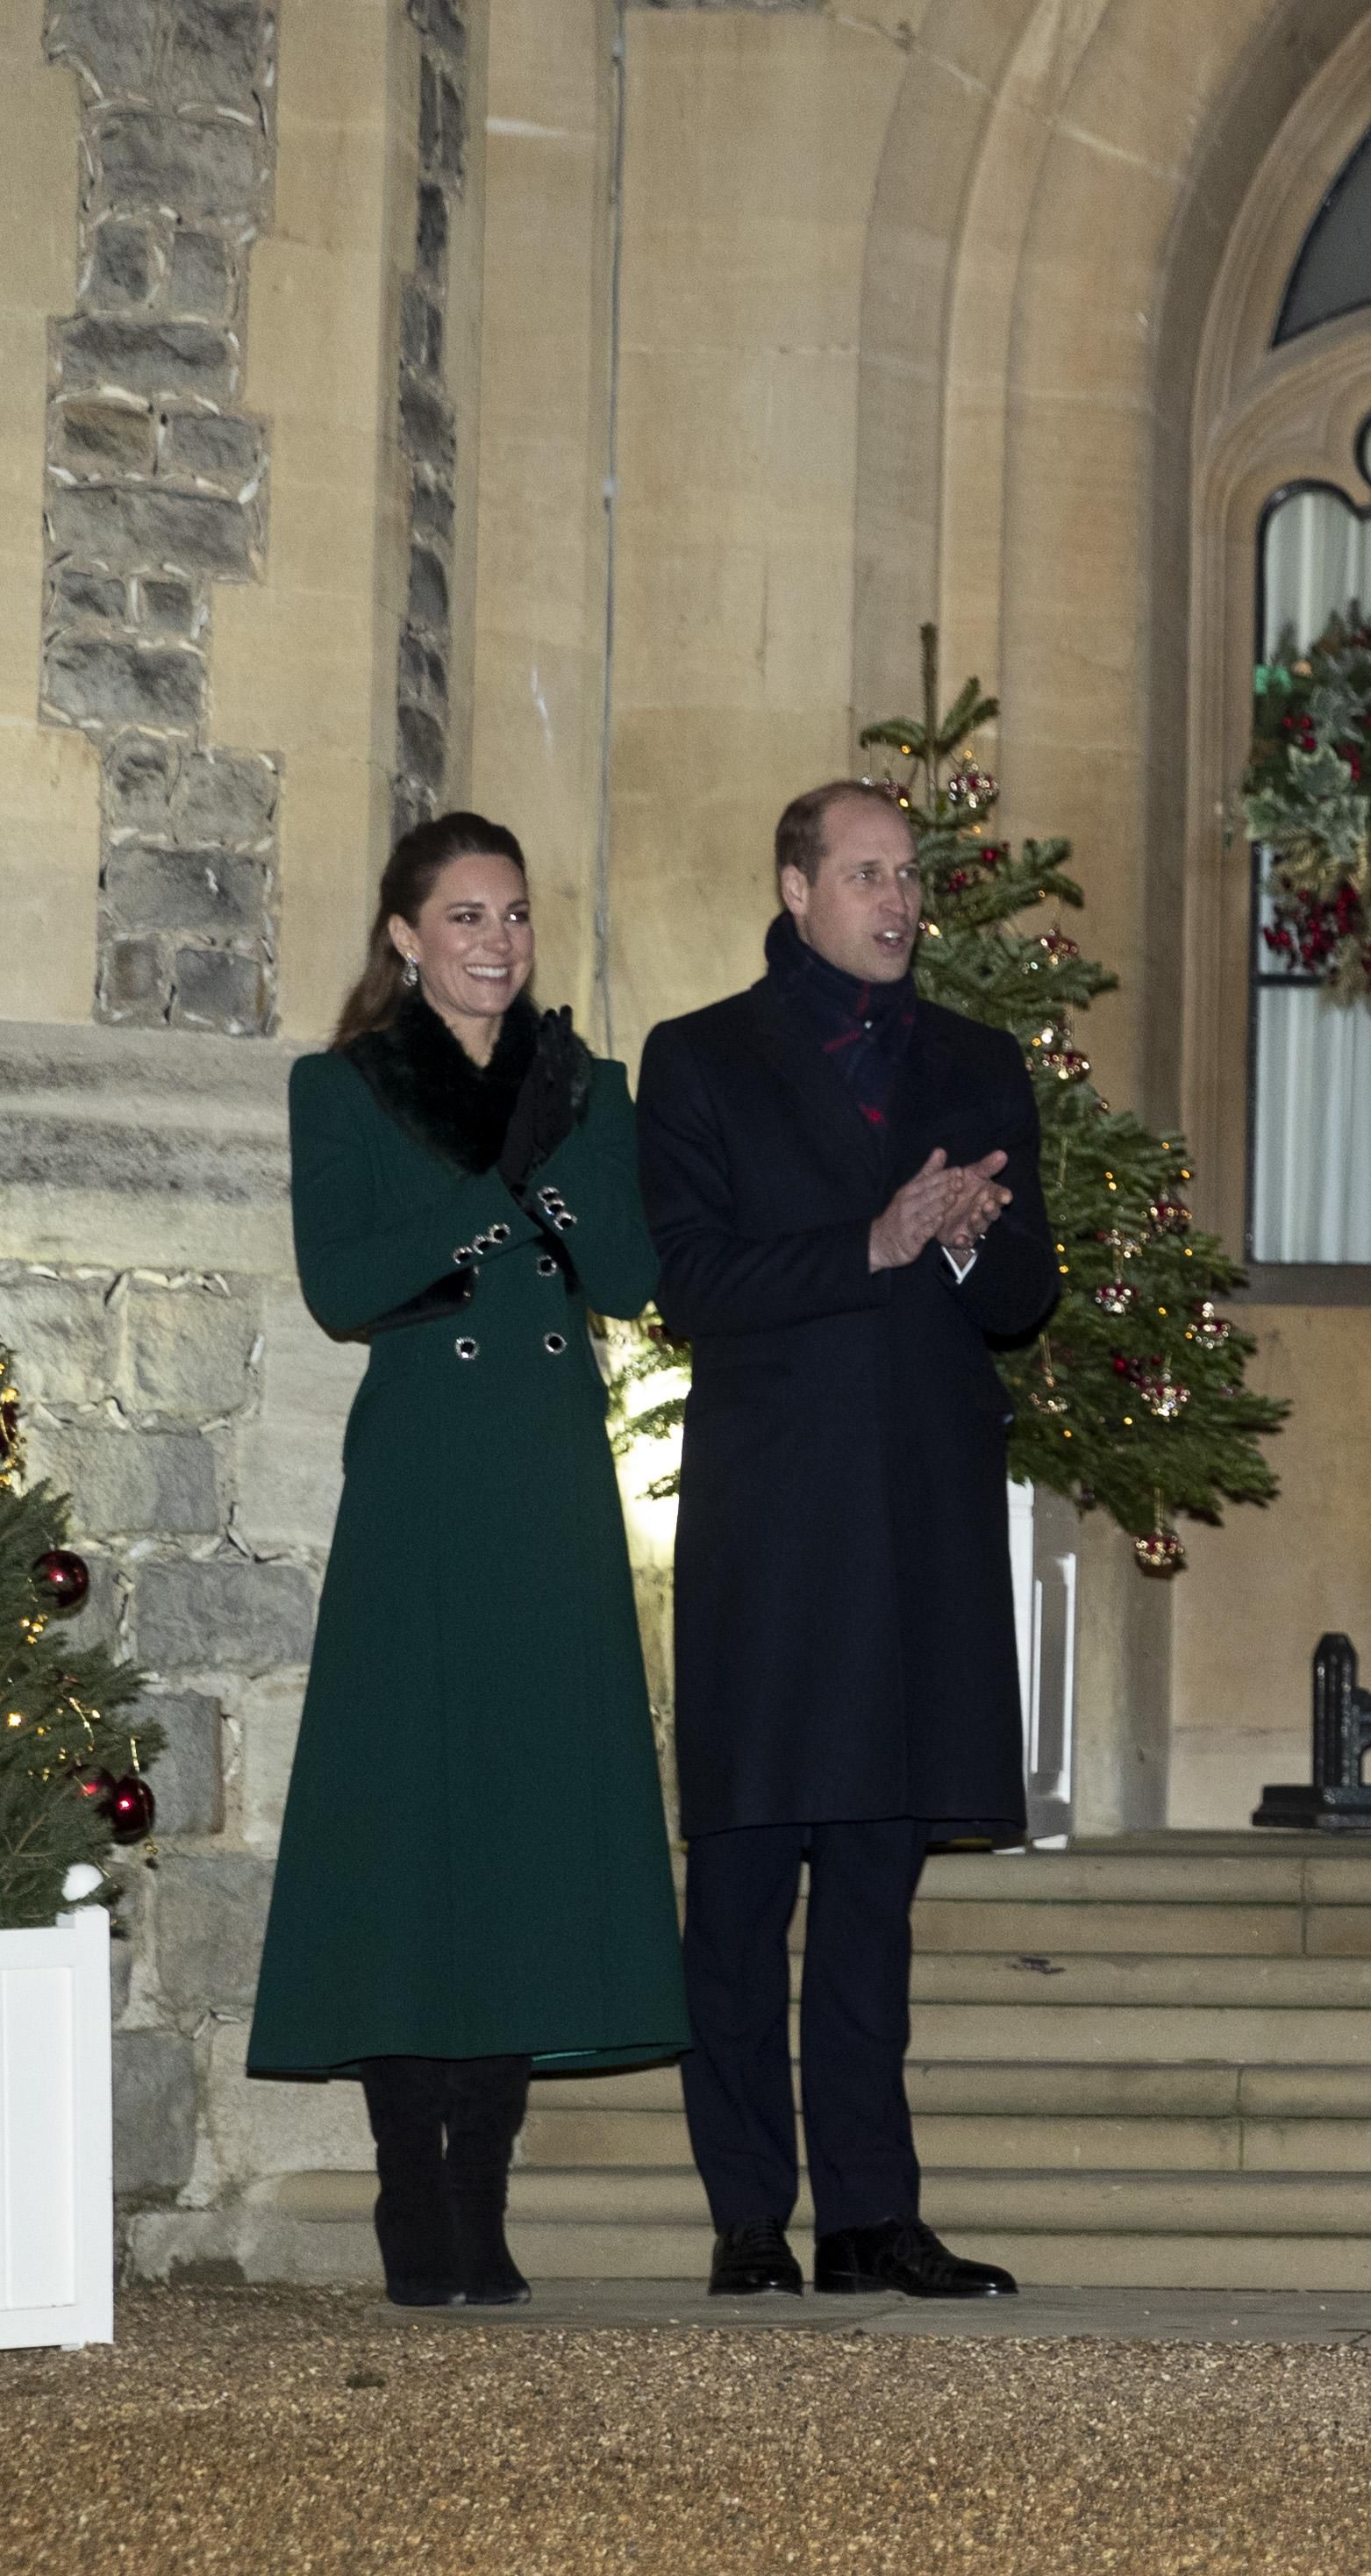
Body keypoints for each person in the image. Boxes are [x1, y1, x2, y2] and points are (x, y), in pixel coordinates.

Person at [249, 812, 689, 2307]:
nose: (495, 941)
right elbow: (342, 1282)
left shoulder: (590, 1087)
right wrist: (503, 1205)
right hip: (425, 1485)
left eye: (512, 915)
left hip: (554, 1484)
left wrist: (547, 1206)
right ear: (403, 937)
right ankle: (405, 2185)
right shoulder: (346, 1086)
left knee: (519, 1829)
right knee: (408, 1829)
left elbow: (628, 1274)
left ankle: (483, 2191)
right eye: (463, 917)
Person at [638, 777, 1054, 2301]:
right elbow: (687, 1281)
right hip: (774, 1522)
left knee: (876, 1885)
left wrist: (963, 1238)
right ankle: (750, 2212)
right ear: (797, 887)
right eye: (868, 874)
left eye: (910, 877)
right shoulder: (698, 1059)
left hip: (919, 1523)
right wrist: (870, 1239)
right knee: (746, 1882)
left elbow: (1023, 1303)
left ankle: (870, 2214)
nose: (899, 902)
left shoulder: (976, 1062)